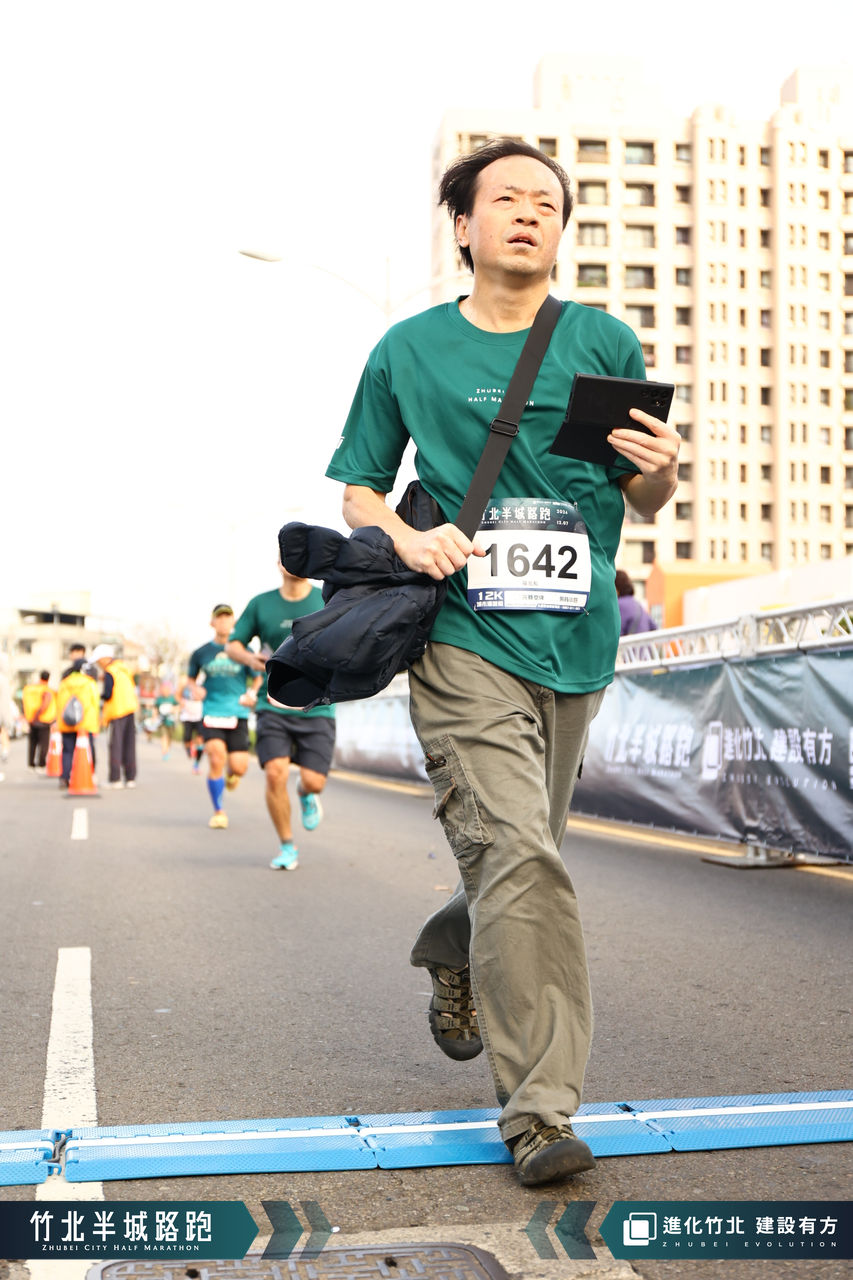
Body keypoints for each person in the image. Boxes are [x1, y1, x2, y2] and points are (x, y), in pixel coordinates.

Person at [324, 138, 679, 1186]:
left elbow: (641, 496)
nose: (528, 213)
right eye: (507, 198)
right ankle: (539, 1113)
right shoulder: (408, 348)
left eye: (547, 204)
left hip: (577, 642)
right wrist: (407, 536)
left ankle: (454, 943)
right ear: (464, 225)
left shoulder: (601, 338)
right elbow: (357, 489)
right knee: (521, 856)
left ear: (560, 230)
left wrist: (663, 471)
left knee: (524, 852)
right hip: (462, 636)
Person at [225, 563, 335, 870]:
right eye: (289, 556)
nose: (295, 562)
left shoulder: (327, 597)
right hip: (272, 702)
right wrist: (250, 658)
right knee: (275, 773)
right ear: (280, 563)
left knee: (314, 782)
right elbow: (233, 645)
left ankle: (305, 793)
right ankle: (287, 846)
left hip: (317, 704)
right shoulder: (261, 604)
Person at [186, 605, 257, 829]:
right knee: (216, 758)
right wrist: (195, 689)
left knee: (239, 767)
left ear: (233, 622)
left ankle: (232, 775)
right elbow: (190, 679)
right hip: (212, 712)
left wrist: (252, 693)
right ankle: (219, 811)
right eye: (220, 617)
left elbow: (257, 675)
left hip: (237, 713)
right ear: (212, 623)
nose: (224, 621)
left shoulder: (244, 650)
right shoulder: (201, 653)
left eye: (228, 617)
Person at [91, 644, 139, 789]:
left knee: (115, 745)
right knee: (129, 744)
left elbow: (108, 694)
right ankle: (130, 778)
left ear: (105, 658)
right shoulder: (124, 669)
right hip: (130, 710)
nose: (99, 664)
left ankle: (115, 778)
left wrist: (97, 696)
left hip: (116, 711)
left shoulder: (110, 672)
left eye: (99, 661)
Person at [55, 652, 100, 788]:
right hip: (85, 724)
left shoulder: (64, 682)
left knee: (67, 751)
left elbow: (59, 703)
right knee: (88, 751)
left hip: (67, 723)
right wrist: (96, 723)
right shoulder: (89, 682)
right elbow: (95, 702)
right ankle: (89, 775)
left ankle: (64, 778)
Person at [22, 670, 56, 771]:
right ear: (48, 678)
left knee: (32, 743)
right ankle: (41, 764)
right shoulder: (46, 689)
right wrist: (37, 716)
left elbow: (24, 703)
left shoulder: (29, 688)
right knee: (44, 744)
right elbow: (45, 703)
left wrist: (30, 717)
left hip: (31, 720)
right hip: (42, 720)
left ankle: (31, 764)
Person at [615, 569, 656, 636]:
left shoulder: (618, 605)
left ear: (616, 587)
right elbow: (654, 627)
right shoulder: (638, 604)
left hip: (629, 643)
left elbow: (616, 633)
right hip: (644, 642)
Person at [176, 675, 205, 772]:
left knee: (200, 739)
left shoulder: (204, 679)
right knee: (187, 737)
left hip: (200, 715)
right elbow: (177, 694)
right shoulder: (185, 681)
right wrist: (181, 702)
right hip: (187, 716)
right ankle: (189, 749)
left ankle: (197, 763)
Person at [154, 682, 180, 760]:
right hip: (162, 722)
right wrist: (154, 717)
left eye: (166, 689)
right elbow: (155, 708)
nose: (165, 691)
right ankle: (164, 751)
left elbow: (178, 706)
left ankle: (167, 749)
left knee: (169, 737)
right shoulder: (159, 699)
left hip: (171, 722)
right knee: (163, 736)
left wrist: (173, 710)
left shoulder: (172, 698)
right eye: (163, 689)